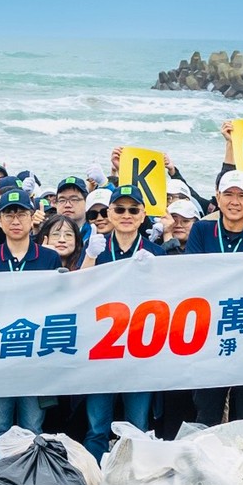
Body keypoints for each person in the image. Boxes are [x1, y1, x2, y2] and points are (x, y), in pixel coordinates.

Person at [185, 171, 243, 428]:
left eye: (241, 195)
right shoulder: (201, 231)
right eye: (228, 194)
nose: (234, 201)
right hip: (209, 336)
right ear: (217, 197)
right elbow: (193, 275)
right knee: (207, 413)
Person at [0, 189, 61, 463]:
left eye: (21, 213)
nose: (15, 220)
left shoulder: (49, 259)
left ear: (31, 217)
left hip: (35, 358)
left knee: (33, 429)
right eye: (8, 214)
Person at [83, 185, 165, 459]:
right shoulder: (97, 250)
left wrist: (155, 272)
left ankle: (134, 480)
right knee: (96, 426)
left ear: (143, 215)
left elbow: (168, 300)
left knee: (137, 425)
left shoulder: (156, 252)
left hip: (140, 350)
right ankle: (92, 482)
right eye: (120, 209)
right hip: (101, 350)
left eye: (133, 209)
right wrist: (90, 258)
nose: (126, 215)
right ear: (109, 213)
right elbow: (78, 292)